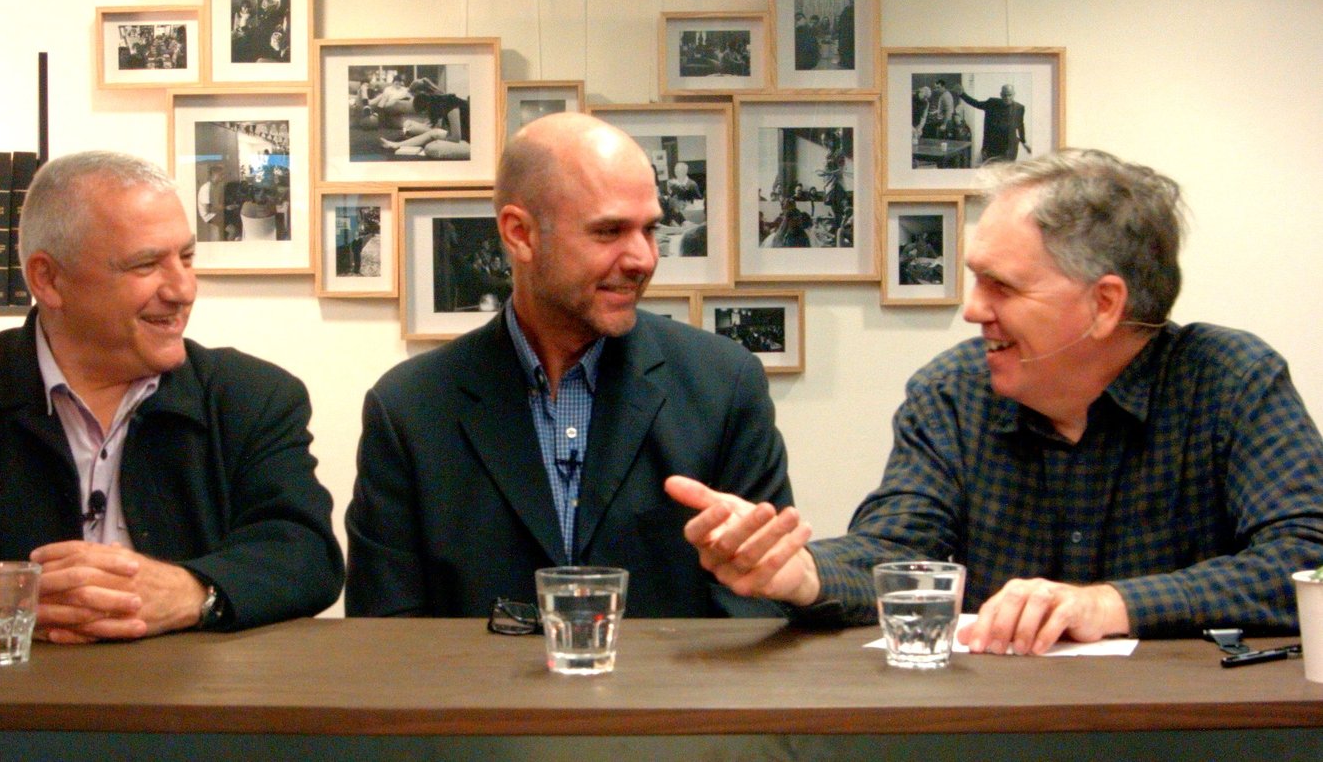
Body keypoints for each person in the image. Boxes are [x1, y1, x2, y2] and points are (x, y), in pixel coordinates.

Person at [668, 148, 1323, 654]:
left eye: (1000, 286)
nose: (972, 310)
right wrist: (802, 574)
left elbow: (1307, 562)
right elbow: (898, 551)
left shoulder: (1230, 382)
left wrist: (1109, 605)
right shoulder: (953, 393)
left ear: (1104, 304)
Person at [346, 112, 795, 618]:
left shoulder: (722, 385)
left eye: (650, 229)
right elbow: (386, 633)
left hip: (669, 674)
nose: (644, 258)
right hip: (474, 674)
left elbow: (760, 607)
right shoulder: (410, 409)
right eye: (609, 231)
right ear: (520, 234)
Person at [0, 150, 345, 643]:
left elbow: (305, 554)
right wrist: (0, 598)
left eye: (187, 258)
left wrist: (191, 591)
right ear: (48, 279)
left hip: (193, 688)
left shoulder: (252, 397)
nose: (183, 289)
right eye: (146, 264)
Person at [959, 83, 1031, 164]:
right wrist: (962, 94)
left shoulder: (1019, 108)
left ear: (1014, 94)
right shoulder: (992, 103)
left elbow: (1020, 125)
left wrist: (1024, 142)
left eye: (1010, 95)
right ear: (1001, 95)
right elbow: (976, 103)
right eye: (1004, 95)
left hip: (1010, 149)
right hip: (992, 148)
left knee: (1007, 170)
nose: (1007, 98)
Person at [195, 163, 225, 242]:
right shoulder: (206, 188)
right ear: (214, 175)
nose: (223, 177)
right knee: (228, 220)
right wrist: (224, 208)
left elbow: (217, 204)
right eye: (221, 175)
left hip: (214, 214)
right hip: (207, 217)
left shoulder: (216, 187)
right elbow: (209, 209)